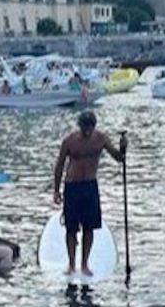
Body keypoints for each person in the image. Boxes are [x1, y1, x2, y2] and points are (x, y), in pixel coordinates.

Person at [53, 111, 126, 276]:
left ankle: (84, 264)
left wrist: (123, 147)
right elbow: (59, 165)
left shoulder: (101, 139)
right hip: (72, 186)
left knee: (89, 227)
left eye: (90, 128)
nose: (87, 131)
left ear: (94, 126)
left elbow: (118, 157)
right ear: (80, 126)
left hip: (90, 186)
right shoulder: (70, 141)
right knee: (71, 228)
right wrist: (56, 191)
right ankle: (71, 265)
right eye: (84, 128)